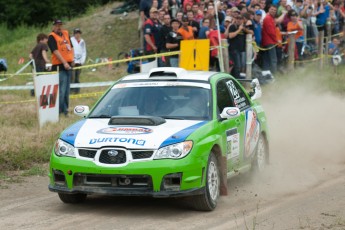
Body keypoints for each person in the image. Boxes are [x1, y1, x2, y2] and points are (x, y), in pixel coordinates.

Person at [48, 19, 74, 117]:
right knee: (61, 90)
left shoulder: (65, 33)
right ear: (53, 26)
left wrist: (72, 59)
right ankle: (59, 111)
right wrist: (64, 62)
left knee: (67, 91)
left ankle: (65, 110)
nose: (59, 27)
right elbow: (55, 51)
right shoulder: (51, 37)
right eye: (57, 25)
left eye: (60, 25)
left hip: (68, 65)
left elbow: (71, 46)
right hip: (59, 66)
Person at [70, 28, 87, 94]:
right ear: (74, 34)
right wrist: (72, 60)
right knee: (72, 76)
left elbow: (84, 52)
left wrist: (82, 61)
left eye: (79, 33)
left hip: (79, 62)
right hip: (73, 61)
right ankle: (71, 90)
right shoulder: (71, 40)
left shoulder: (82, 41)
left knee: (77, 76)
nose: (77, 35)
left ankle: (77, 90)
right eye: (76, 33)